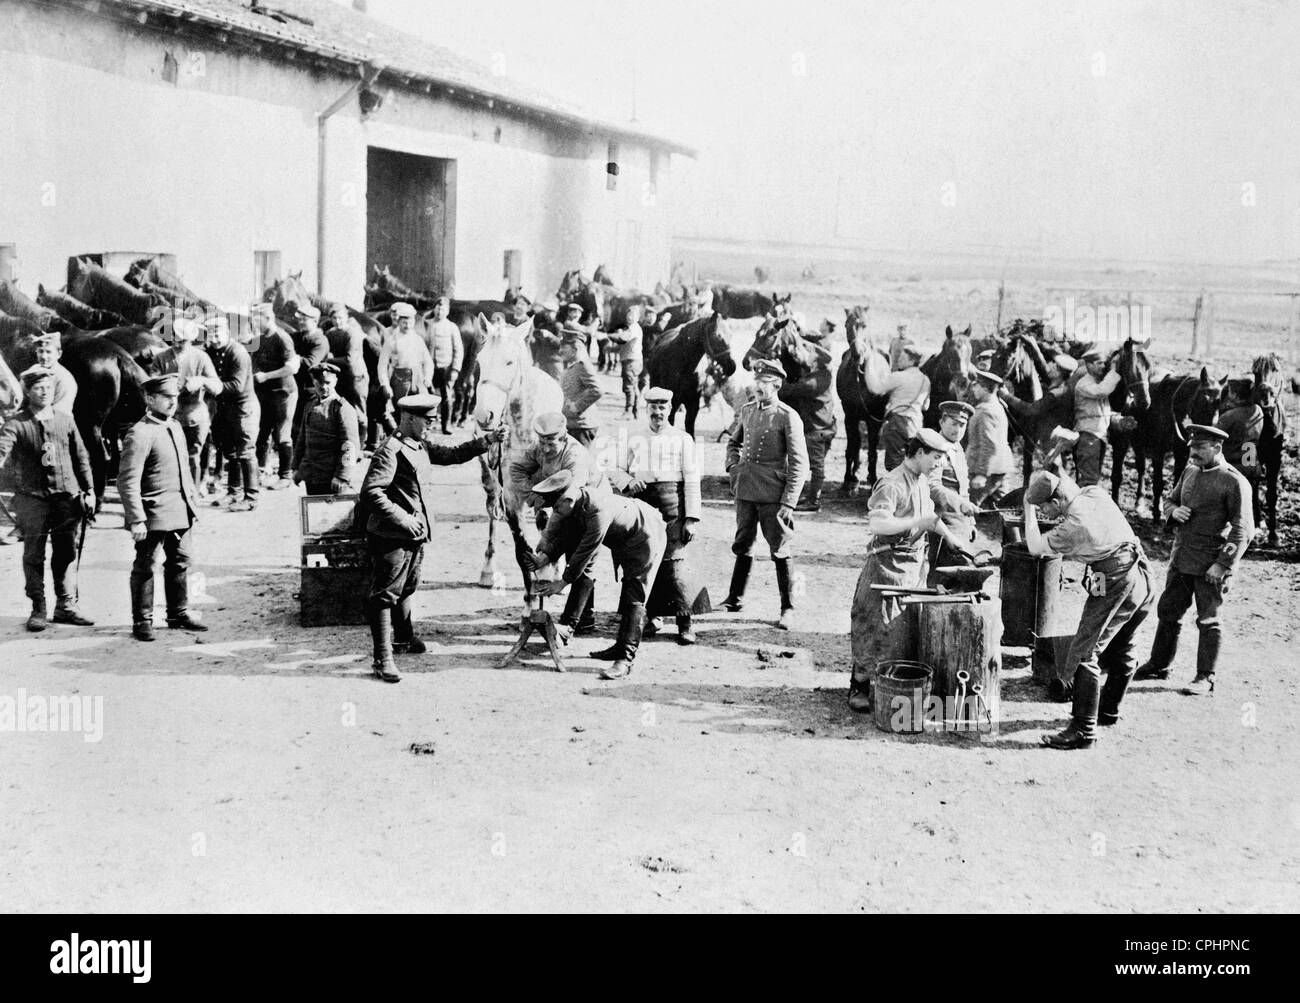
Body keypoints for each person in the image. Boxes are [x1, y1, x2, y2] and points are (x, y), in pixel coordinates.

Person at [360, 393, 505, 683]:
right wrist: (403, 518)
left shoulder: (419, 444)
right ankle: (382, 658)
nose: (431, 424)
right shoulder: (390, 450)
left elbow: (452, 455)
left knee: (408, 585)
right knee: (385, 594)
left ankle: (404, 638)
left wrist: (487, 442)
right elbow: (371, 492)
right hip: (392, 535)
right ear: (410, 418)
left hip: (414, 532)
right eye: (427, 420)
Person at [1022, 471, 1154, 749]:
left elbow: (1035, 547)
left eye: (1044, 508)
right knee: (1123, 643)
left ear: (1057, 503)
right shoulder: (1093, 493)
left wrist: (1027, 508)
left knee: (1084, 650)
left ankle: (1083, 730)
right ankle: (1107, 710)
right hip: (1139, 574)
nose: (1045, 514)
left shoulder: (1074, 527)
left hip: (1116, 579)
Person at [847, 430, 976, 712]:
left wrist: (954, 541)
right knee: (874, 624)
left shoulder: (921, 481)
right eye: (935, 457)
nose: (938, 463)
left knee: (903, 630)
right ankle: (859, 684)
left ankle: (890, 683)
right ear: (919, 453)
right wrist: (915, 520)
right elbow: (878, 525)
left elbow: (930, 519)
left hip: (915, 564)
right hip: (886, 565)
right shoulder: (892, 483)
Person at [1133, 425, 1253, 696]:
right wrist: (1174, 511)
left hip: (1210, 564)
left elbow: (1243, 528)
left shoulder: (1234, 481)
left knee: (1208, 620)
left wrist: (1222, 564)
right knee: (1168, 612)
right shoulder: (1190, 471)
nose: (1193, 453)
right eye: (1191, 447)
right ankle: (1160, 664)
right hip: (1182, 557)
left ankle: (1205, 677)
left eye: (1199, 448)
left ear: (1217, 449)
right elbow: (1169, 501)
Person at [529, 470, 667, 680]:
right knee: (629, 592)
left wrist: (562, 583)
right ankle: (619, 647)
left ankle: (625, 659)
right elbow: (567, 535)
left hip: (647, 535)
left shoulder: (597, 509)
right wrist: (544, 558)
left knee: (634, 597)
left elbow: (586, 549)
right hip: (625, 539)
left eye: (557, 507)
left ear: (567, 499)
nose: (556, 512)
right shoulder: (576, 504)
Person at [0, 366, 95, 630]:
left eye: (49, 387)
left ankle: (66, 606)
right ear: (28, 392)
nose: (44, 392)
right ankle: (38, 608)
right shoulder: (16, 424)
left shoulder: (66, 420)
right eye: (38, 388)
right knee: (33, 555)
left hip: (66, 499)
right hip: (33, 500)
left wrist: (89, 491)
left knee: (66, 552)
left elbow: (81, 457)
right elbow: (1, 451)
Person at [606, 386, 702, 644]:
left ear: (670, 409)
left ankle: (685, 623)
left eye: (662, 407)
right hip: (643, 506)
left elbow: (692, 480)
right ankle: (651, 618)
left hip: (672, 504)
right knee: (644, 561)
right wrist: (628, 481)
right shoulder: (633, 437)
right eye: (653, 408)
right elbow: (613, 469)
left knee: (675, 564)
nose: (657, 412)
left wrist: (691, 517)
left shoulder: (683, 439)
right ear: (646, 409)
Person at [118, 372, 206, 641]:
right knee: (146, 565)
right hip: (153, 515)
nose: (172, 402)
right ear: (149, 398)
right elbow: (127, 480)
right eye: (165, 397)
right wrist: (136, 518)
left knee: (180, 561)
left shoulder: (175, 426)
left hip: (180, 512)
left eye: (175, 397)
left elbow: (184, 471)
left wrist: (192, 505)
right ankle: (142, 620)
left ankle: (177, 613)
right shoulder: (140, 432)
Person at [722, 358, 809, 629]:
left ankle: (789, 608)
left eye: (764, 382)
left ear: (777, 385)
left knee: (780, 549)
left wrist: (790, 502)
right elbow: (733, 442)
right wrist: (732, 467)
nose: (758, 386)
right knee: (743, 542)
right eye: (756, 381)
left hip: (773, 494)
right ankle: (735, 599)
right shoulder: (748, 410)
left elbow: (799, 462)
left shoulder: (787, 416)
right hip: (746, 489)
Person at [508, 411, 609, 634]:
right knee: (571, 554)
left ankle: (578, 620)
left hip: (591, 505)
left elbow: (568, 504)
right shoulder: (539, 447)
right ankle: (584, 617)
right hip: (565, 505)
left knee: (580, 558)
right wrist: (533, 494)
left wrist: (545, 546)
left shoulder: (575, 456)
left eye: (550, 442)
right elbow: (516, 469)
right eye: (541, 441)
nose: (544, 448)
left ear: (563, 437)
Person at [205, 316, 260, 511]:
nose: (214, 338)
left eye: (218, 333)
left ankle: (251, 497)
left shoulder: (238, 352)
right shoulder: (211, 351)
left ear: (227, 332)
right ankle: (233, 492)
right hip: (225, 408)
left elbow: (237, 386)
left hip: (243, 407)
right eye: (211, 334)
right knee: (229, 451)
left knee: (245, 451)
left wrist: (210, 385)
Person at [781, 322, 836, 513]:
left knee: (816, 465)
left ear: (817, 359)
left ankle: (814, 501)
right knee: (814, 463)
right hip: (820, 425)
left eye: (810, 353)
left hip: (817, 428)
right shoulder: (820, 374)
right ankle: (811, 497)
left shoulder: (817, 379)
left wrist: (778, 385)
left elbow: (792, 390)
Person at [251, 302, 299, 491]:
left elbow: (291, 367)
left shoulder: (282, 338)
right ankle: (261, 471)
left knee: (282, 434)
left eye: (257, 319)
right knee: (262, 433)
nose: (255, 323)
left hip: (283, 393)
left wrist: (266, 376)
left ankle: (285, 476)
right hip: (265, 393)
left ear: (268, 318)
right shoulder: (261, 339)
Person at [292, 363, 360, 495]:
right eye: (319, 383)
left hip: (332, 477)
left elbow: (349, 445)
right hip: (311, 475)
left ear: (335, 381)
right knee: (313, 513)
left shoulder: (342, 408)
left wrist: (342, 476)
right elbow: (302, 439)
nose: (324, 387)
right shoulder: (309, 406)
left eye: (328, 382)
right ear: (313, 382)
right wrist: (296, 468)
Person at [172, 318, 222, 493]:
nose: (177, 343)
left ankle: (192, 494)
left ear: (191, 339)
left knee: (193, 457)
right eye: (175, 338)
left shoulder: (201, 357)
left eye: (182, 340)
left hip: (194, 415)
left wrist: (201, 380)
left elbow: (217, 387)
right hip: (170, 416)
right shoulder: (163, 357)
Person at [863, 340, 931, 470]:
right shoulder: (925, 380)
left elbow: (875, 388)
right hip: (915, 425)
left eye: (902, 358)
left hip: (896, 423)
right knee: (911, 462)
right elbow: (925, 406)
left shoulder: (899, 376)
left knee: (894, 464)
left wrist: (869, 363)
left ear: (911, 361)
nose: (898, 360)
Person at [928, 399, 975, 576]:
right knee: (948, 571)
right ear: (941, 422)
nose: (958, 430)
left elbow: (964, 488)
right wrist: (960, 503)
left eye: (962, 425)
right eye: (954, 424)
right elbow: (932, 486)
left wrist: (971, 522)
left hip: (960, 519)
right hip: (942, 518)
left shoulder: (957, 448)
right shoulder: (936, 448)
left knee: (959, 572)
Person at [1215, 377, 1264, 533]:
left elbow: (1213, 438)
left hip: (1234, 467)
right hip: (1251, 462)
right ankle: (1255, 525)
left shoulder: (1228, 417)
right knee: (1251, 498)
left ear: (1235, 395)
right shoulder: (1258, 411)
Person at [1072, 347, 1122, 487]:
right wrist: (1114, 371)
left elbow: (1100, 412)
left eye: (1104, 363)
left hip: (1097, 436)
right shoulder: (1084, 384)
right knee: (1088, 482)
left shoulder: (1096, 382)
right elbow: (1102, 392)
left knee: (1092, 481)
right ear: (1089, 365)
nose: (1103, 366)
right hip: (1088, 437)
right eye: (1099, 363)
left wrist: (1119, 420)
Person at [966, 370, 1015, 507]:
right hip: (999, 467)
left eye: (977, 385)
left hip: (987, 471)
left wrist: (982, 473)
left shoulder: (986, 411)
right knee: (1002, 513)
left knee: (966, 509)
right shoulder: (996, 407)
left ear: (986, 389)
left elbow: (989, 445)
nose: (973, 388)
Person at [422, 297, 463, 435]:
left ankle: (446, 425)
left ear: (447, 311)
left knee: (446, 397)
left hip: (445, 367)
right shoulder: (426, 325)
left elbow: (458, 350)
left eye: (443, 308)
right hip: (428, 368)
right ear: (434, 309)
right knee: (427, 396)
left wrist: (455, 370)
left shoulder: (452, 327)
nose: (440, 311)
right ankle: (426, 425)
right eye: (438, 308)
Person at [289, 303, 329, 438]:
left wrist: (294, 358)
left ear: (315, 321)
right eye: (299, 319)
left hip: (311, 388)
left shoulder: (320, 341)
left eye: (304, 319)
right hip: (297, 386)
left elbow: (311, 363)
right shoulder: (296, 337)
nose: (300, 322)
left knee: (305, 424)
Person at [324, 302, 369, 420]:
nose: (337, 321)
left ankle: (362, 439)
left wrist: (327, 359)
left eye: (340, 318)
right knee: (341, 411)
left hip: (355, 377)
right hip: (340, 376)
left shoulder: (352, 333)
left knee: (358, 413)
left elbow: (350, 360)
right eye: (334, 318)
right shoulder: (330, 333)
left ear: (346, 318)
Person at [558, 329, 602, 447]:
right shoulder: (573, 366)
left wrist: (577, 407)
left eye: (564, 348)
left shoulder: (583, 365)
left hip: (582, 426)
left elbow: (597, 390)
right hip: (573, 424)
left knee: (579, 461)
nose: (560, 351)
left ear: (575, 349)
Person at [384, 302, 435, 403]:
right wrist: (385, 384)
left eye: (410, 322)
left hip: (418, 377)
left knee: (421, 408)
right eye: (404, 322)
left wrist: (428, 377)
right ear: (399, 321)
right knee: (401, 408)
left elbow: (428, 361)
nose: (407, 325)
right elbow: (383, 364)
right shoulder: (390, 337)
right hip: (399, 379)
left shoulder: (417, 339)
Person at [606, 304, 644, 417]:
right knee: (633, 385)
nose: (630, 317)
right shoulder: (630, 328)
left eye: (633, 315)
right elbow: (622, 345)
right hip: (632, 360)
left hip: (631, 361)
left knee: (628, 386)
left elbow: (623, 338)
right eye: (628, 314)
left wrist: (607, 335)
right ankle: (635, 411)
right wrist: (611, 348)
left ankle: (629, 411)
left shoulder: (634, 328)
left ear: (637, 317)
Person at [31, 332, 77, 415]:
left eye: (48, 352)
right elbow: (22, 398)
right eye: (40, 351)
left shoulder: (65, 379)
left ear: (59, 354)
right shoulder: (33, 370)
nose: (44, 357)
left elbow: (59, 415)